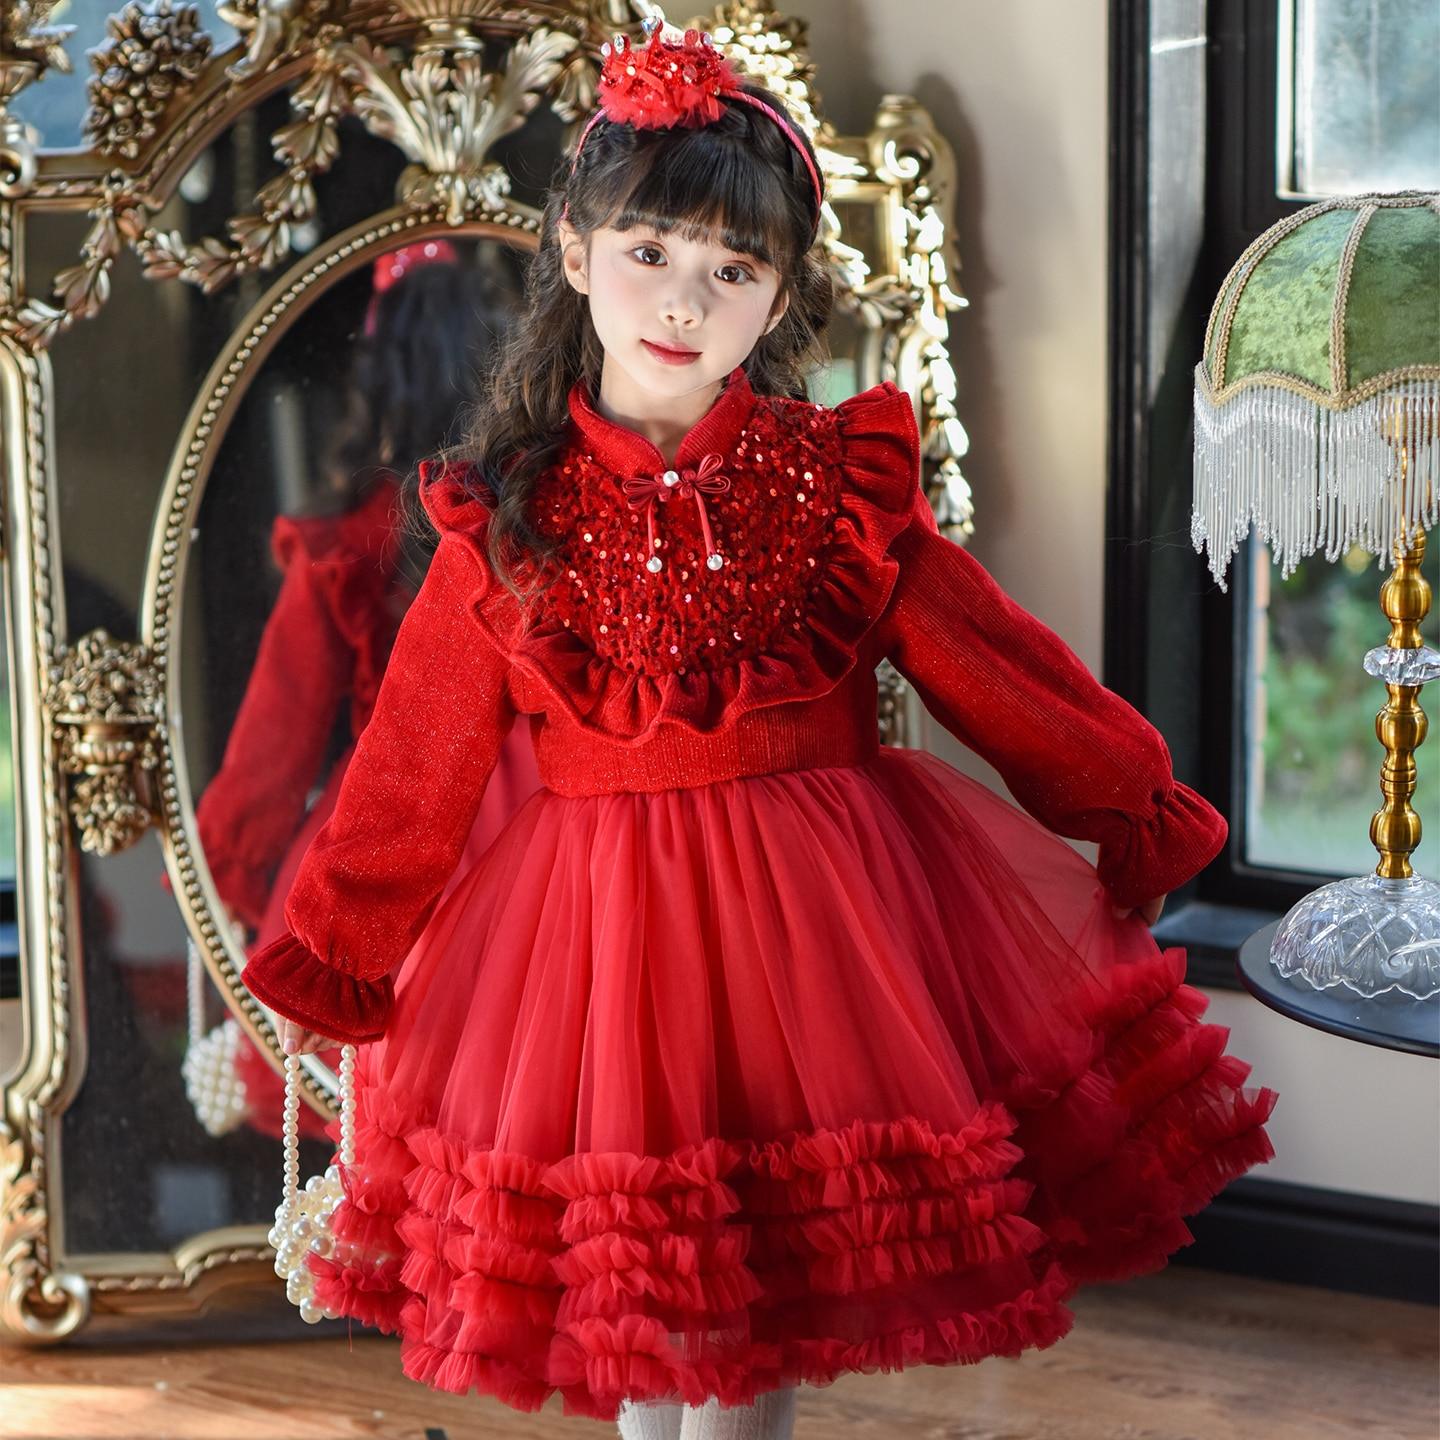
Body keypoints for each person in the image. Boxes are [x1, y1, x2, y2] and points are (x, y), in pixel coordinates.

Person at [239, 19, 1279, 1440]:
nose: (685, 300)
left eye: (734, 270)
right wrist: (339, 952)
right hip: (596, 947)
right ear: (573, 248)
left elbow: (994, 664)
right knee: (644, 1282)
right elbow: (414, 766)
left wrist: (1126, 804)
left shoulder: (833, 483)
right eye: (650, 251)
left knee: (764, 1288)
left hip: (820, 927)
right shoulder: (509, 515)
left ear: (781, 295)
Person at [192, 239, 541, 1140]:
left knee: (386, 1135)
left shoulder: (342, 548)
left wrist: (229, 874)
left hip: (386, 843)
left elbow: (271, 753)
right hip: (538, 835)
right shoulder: (538, 528)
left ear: (375, 377)